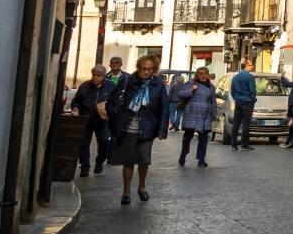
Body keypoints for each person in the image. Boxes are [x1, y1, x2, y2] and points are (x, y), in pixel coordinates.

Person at [105, 55, 169, 204]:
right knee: (128, 161)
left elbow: (163, 108)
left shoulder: (158, 84)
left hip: (147, 128)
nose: (146, 72)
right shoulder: (127, 81)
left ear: (154, 70)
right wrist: (116, 117)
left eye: (150, 69)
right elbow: (112, 102)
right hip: (128, 126)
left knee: (143, 160)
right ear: (138, 68)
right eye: (143, 69)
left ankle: (142, 187)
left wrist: (162, 130)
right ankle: (126, 191)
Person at [70, 66, 113, 176]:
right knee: (83, 143)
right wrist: (75, 108)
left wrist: (107, 107)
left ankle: (99, 162)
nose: (95, 77)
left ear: (104, 77)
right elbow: (76, 101)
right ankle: (85, 167)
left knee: (104, 142)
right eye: (94, 75)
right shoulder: (84, 86)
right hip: (86, 119)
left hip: (103, 121)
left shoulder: (111, 86)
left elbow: (117, 101)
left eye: (98, 76)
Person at [174, 66, 219, 167]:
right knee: (187, 138)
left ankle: (201, 160)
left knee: (203, 139)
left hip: (205, 117)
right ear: (197, 75)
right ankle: (183, 155)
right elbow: (181, 94)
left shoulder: (211, 87)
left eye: (205, 73)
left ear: (208, 75)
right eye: (201, 73)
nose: (203, 75)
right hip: (192, 114)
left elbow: (213, 101)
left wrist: (214, 113)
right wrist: (191, 90)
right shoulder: (191, 83)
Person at [228, 61, 258, 150]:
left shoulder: (235, 77)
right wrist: (253, 99)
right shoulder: (249, 77)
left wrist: (236, 98)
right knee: (246, 123)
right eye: (251, 65)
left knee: (236, 123)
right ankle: (244, 144)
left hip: (238, 102)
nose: (252, 66)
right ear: (246, 66)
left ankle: (233, 144)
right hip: (247, 102)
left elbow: (232, 91)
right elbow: (252, 90)